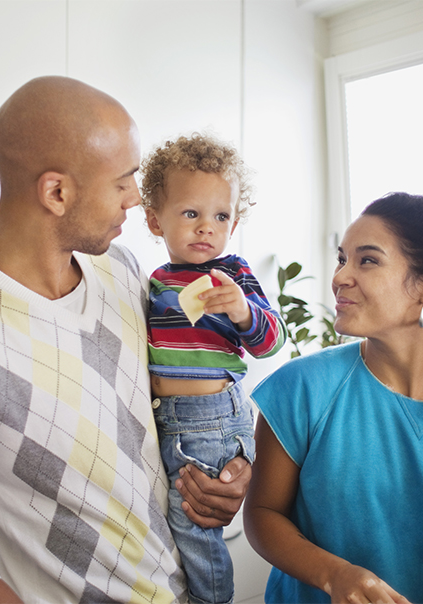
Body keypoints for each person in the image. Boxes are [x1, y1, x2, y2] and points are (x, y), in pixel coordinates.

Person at [0, 77, 252, 604]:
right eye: (123, 181)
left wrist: (229, 467)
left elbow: (178, 396)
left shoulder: (123, 272)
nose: (137, 198)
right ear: (56, 192)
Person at [244, 191, 423, 604]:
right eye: (343, 258)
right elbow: (262, 514)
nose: (340, 276)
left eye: (368, 260)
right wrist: (334, 575)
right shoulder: (301, 388)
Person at [141, 133, 287, 604]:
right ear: (153, 220)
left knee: (196, 530)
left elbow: (271, 340)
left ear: (234, 221)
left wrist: (243, 310)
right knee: (173, 527)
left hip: (210, 421)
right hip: (166, 419)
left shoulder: (232, 274)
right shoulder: (157, 282)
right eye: (191, 214)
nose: (207, 228)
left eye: (220, 216)